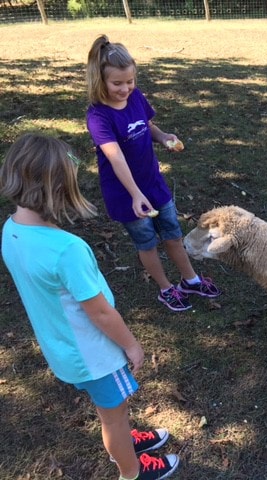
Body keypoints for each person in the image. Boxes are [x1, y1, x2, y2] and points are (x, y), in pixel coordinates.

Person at [0, 133, 180, 480]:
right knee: (113, 413)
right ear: (60, 189)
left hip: (62, 348)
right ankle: (131, 471)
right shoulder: (67, 249)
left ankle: (126, 441)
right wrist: (131, 344)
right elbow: (99, 312)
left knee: (113, 410)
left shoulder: (11, 231)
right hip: (94, 354)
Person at [85, 33, 221, 312]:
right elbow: (115, 157)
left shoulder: (135, 97)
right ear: (100, 80)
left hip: (153, 183)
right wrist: (135, 195)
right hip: (126, 194)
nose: (125, 89)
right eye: (117, 83)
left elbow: (148, 126)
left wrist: (164, 137)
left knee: (172, 233)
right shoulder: (98, 116)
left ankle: (190, 280)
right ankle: (165, 288)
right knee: (146, 241)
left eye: (130, 81)